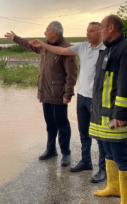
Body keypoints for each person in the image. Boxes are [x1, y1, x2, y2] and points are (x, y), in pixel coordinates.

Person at [28, 22, 107, 183]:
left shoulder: (107, 50)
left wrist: (67, 93)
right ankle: (86, 161)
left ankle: (103, 169)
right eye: (87, 30)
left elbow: (71, 74)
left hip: (97, 98)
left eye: (91, 31)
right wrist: (40, 43)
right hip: (82, 96)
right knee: (84, 132)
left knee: (100, 135)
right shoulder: (83, 47)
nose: (87, 33)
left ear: (101, 32)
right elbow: (61, 50)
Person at [4, 21, 77, 167]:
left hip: (58, 94)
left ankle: (66, 153)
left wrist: (67, 94)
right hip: (45, 93)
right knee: (50, 125)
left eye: (46, 30)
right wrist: (15, 38)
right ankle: (51, 150)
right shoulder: (44, 47)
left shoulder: (66, 49)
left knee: (62, 124)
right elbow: (30, 45)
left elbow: (72, 74)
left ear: (54, 33)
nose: (44, 33)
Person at [88, 15, 127, 204]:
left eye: (101, 27)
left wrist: (120, 113)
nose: (99, 31)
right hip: (102, 113)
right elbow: (102, 83)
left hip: (114, 115)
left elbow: (126, 83)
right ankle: (114, 188)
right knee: (108, 150)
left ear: (111, 28)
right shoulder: (107, 49)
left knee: (121, 154)